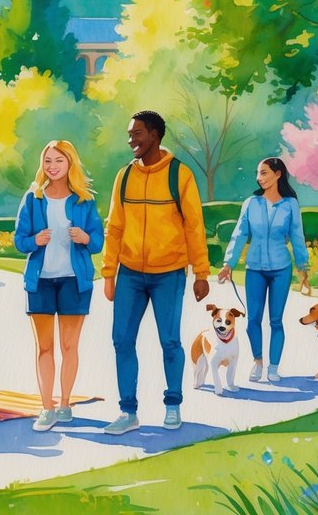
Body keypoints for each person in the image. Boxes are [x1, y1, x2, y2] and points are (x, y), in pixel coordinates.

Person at [101, 110, 210, 435]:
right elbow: (114, 227)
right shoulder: (124, 176)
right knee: (121, 340)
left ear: (154, 135)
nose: (131, 140)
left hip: (169, 274)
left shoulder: (180, 175)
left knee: (170, 341)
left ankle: (173, 404)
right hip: (130, 274)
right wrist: (109, 273)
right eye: (129, 134)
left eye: (137, 134)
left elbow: (194, 227)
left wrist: (201, 273)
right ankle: (128, 411)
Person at [13, 141, 104, 432]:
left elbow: (98, 241)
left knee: (69, 346)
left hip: (74, 281)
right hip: (39, 281)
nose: (52, 166)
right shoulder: (33, 198)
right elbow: (19, 240)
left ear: (70, 164)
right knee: (44, 347)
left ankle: (65, 403)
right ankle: (47, 407)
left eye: (59, 161)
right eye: (48, 161)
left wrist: (85, 238)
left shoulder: (84, 200)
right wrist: (34, 240)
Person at [219, 157, 310, 384]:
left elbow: (297, 236)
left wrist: (303, 267)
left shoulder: (290, 204)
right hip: (255, 269)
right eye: (258, 173)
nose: (259, 178)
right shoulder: (251, 203)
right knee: (253, 320)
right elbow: (240, 234)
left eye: (264, 173)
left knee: (276, 321)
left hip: (281, 269)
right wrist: (228, 264)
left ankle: (274, 367)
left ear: (278, 174)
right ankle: (258, 361)